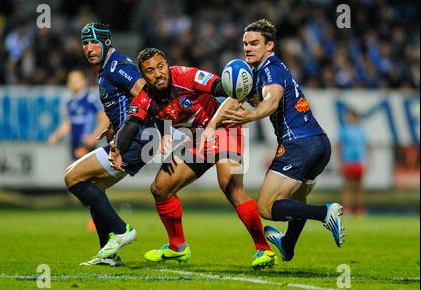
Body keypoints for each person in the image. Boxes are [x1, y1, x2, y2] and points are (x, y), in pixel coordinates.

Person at [109, 48, 278, 268]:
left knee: (230, 186)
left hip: (225, 128)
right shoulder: (144, 99)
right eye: (150, 71)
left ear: (167, 66)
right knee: (160, 188)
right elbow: (131, 124)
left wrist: (247, 92)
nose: (158, 73)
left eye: (161, 67)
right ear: (143, 76)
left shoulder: (187, 76)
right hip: (198, 139)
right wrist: (118, 148)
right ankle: (178, 248)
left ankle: (263, 249)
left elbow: (221, 86)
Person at [201, 19, 345, 262]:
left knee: (267, 207)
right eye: (245, 43)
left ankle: (325, 212)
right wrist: (212, 124)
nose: (248, 48)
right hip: (319, 144)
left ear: (269, 46)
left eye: (255, 43)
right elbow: (234, 99)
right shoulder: (256, 73)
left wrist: (252, 115)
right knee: (296, 201)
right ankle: (287, 245)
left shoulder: (271, 68)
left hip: (297, 143)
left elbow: (272, 100)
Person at [65, 22, 155, 266]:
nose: (89, 48)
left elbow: (145, 95)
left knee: (72, 177)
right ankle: (109, 254)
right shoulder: (106, 69)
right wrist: (115, 126)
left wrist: (133, 131)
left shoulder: (117, 65)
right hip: (134, 138)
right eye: (85, 43)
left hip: (137, 139)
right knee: (93, 186)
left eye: (94, 41)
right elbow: (128, 101)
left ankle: (121, 229)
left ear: (106, 42)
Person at [48, 70, 109, 161]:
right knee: (74, 171)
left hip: (86, 143)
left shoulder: (90, 99)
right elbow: (69, 123)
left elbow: (105, 119)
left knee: (84, 172)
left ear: (84, 82)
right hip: (74, 143)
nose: (74, 83)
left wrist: (94, 136)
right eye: (71, 80)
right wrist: (57, 135)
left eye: (77, 80)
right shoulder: (71, 102)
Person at [337, 109, 370, 216]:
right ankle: (346, 208)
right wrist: (340, 161)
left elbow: (367, 146)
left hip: (358, 161)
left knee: (359, 187)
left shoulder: (361, 131)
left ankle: (359, 208)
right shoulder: (344, 130)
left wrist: (368, 161)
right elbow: (339, 146)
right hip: (348, 161)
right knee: (347, 186)